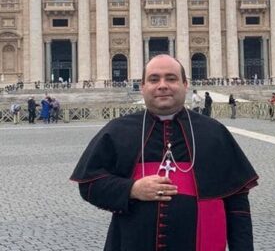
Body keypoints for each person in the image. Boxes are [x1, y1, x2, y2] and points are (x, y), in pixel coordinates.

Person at [70, 54, 258, 251]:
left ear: (185, 84)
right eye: (153, 79)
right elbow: (89, 185)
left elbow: (238, 205)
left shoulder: (214, 132)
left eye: (171, 78)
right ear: (142, 86)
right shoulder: (117, 130)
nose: (162, 85)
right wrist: (131, 189)